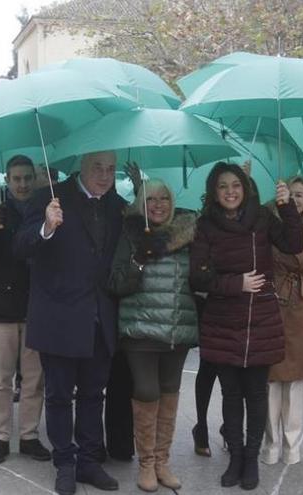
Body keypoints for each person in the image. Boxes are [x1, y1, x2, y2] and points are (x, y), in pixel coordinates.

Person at [14, 151, 124, 495]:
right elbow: (20, 247)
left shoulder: (117, 205)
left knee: (93, 395)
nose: (105, 176)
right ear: (81, 167)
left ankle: (89, 462)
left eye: (110, 169)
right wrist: (46, 227)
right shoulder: (49, 197)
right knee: (59, 395)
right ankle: (65, 461)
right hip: (59, 316)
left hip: (99, 318)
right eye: (97, 168)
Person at [189, 162, 303, 490]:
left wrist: (287, 206)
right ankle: (236, 456)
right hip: (222, 320)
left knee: (256, 394)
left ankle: (250, 459)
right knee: (230, 393)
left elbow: (294, 244)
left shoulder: (263, 219)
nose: (230, 191)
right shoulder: (205, 226)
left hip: (260, 320)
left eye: (235, 185)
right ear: (214, 191)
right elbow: (197, 276)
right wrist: (235, 283)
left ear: (246, 187)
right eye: (223, 186)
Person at [108, 179, 198, 492]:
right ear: (140, 204)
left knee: (171, 393)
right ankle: (146, 462)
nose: (157, 204)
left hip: (177, 328)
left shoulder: (188, 234)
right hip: (141, 329)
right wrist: (137, 262)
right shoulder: (131, 235)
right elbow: (116, 283)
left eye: (163, 198)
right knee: (146, 391)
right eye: (150, 199)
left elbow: (199, 277)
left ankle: (163, 461)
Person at [0, 156, 51, 465]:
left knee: (34, 379)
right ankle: (1, 437)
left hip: (36, 306)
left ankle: (30, 436)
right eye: (16, 178)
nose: (22, 184)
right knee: (0, 379)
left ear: (34, 179)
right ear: (6, 179)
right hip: (1, 309)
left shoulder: (42, 210)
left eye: (27, 178)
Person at [261, 176, 303, 465]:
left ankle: (292, 446)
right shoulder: (269, 226)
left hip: (302, 308)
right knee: (271, 380)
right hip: (272, 304)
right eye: (291, 193)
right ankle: (271, 445)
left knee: (295, 382)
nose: (296, 199)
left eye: (300, 195)